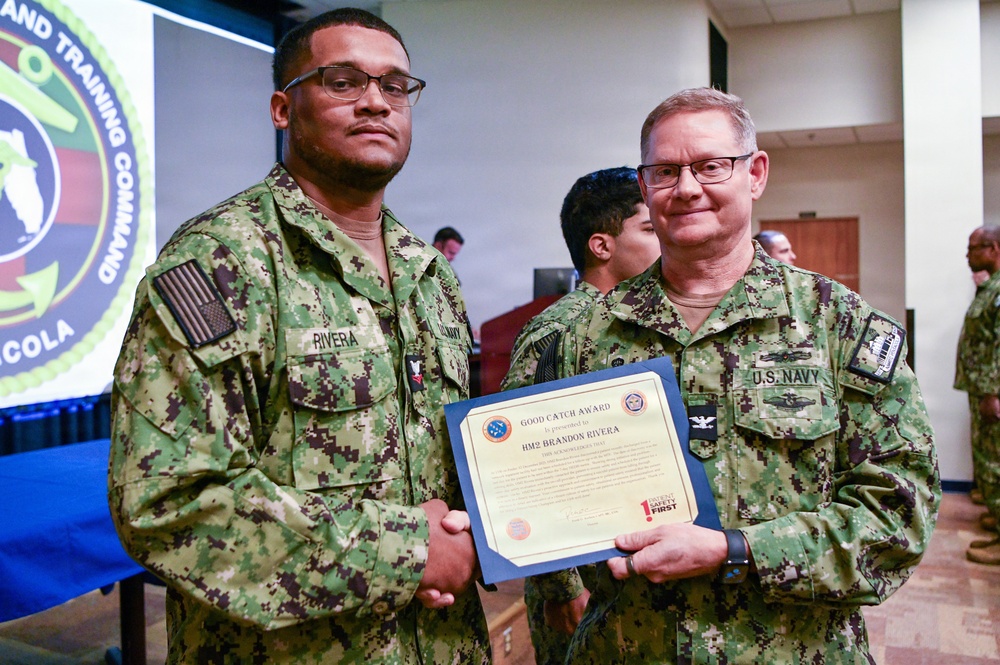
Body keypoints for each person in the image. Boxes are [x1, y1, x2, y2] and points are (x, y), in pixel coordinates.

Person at [107, 9, 490, 663]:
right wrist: (407, 550)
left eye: (396, 86)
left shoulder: (431, 277)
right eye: (343, 81)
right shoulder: (220, 262)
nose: (376, 100)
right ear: (283, 109)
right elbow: (170, 503)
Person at [531, 88, 940, 663]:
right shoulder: (583, 335)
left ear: (756, 174)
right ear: (646, 187)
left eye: (710, 166)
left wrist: (739, 549)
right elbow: (542, 488)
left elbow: (899, 517)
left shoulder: (840, 326)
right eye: (666, 171)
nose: (688, 187)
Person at [501, 166, 661, 664]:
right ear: (601, 246)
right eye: (650, 229)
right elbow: (520, 464)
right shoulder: (559, 332)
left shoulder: (636, 325)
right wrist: (560, 588)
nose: (667, 239)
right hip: (578, 579)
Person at [955, 226, 1000, 564]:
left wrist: (992, 391)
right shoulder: (991, 287)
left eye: (973, 248)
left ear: (993, 248)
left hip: (992, 392)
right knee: (988, 460)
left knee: (995, 462)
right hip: (983, 388)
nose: (968, 255)